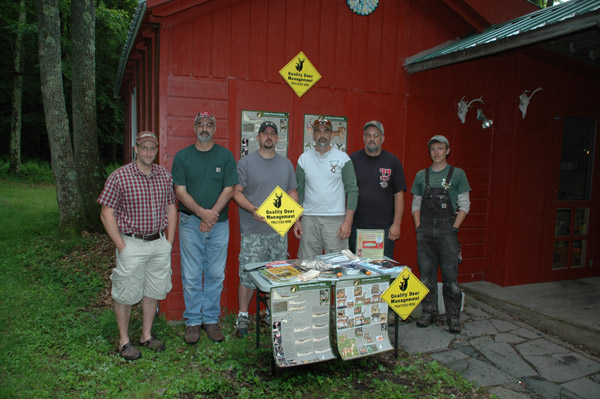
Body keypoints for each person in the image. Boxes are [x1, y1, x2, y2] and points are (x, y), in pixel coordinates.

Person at [98, 130, 177, 361]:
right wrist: (122, 246)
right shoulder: (119, 176)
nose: (149, 152)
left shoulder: (164, 176)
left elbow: (171, 207)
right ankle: (124, 342)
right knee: (125, 292)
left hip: (158, 243)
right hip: (132, 243)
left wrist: (169, 241)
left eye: (153, 148)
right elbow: (106, 214)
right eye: (144, 147)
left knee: (154, 290)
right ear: (136, 149)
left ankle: (146, 335)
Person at [171, 112, 238, 344]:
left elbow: (229, 189)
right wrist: (202, 213)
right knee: (191, 274)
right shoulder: (182, 157)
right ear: (194, 127)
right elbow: (180, 191)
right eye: (201, 124)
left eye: (210, 124)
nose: (205, 128)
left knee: (215, 274)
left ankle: (210, 319)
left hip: (219, 225)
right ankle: (192, 321)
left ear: (215, 129)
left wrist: (211, 216)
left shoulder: (225, 156)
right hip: (190, 223)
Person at [232, 121, 298, 337]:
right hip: (253, 232)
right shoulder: (245, 163)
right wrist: (252, 209)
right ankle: (243, 315)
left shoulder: (286, 164)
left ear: (277, 139)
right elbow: (236, 193)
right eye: (264, 133)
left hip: (278, 232)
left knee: (276, 275)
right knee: (248, 275)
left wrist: (295, 219)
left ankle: (272, 313)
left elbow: (292, 193)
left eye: (272, 133)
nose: (268, 137)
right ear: (258, 138)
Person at [411, 135, 471, 333]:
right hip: (425, 232)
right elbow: (416, 204)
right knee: (426, 276)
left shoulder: (458, 174)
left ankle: (453, 317)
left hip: (447, 231)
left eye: (440, 148)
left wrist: (454, 228)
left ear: (447, 151)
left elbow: (465, 204)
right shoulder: (422, 175)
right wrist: (419, 226)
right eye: (433, 149)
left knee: (450, 278)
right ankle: (429, 312)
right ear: (429, 152)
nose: (436, 152)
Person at [293, 117, 359, 258]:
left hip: (335, 220)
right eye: (318, 131)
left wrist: (348, 221)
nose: (322, 135)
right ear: (313, 134)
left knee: (338, 264)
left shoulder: (343, 158)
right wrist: (297, 220)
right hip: (309, 219)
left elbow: (352, 191)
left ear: (331, 135)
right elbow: (299, 191)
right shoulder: (303, 159)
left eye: (326, 132)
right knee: (308, 264)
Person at [349, 120, 406, 259]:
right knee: (357, 269)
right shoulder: (352, 160)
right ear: (363, 138)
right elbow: (344, 191)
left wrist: (396, 225)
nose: (372, 139)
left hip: (384, 229)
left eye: (376, 135)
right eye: (368, 135)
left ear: (382, 138)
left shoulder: (392, 161)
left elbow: (399, 195)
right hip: (357, 226)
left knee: (381, 271)